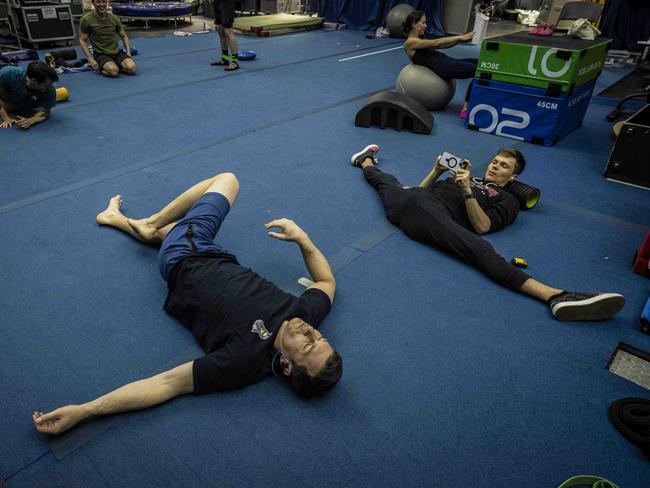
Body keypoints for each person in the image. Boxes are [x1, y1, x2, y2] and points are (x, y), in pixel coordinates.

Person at [33, 172, 342, 435]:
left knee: (227, 180)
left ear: (286, 365)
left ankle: (150, 223)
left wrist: (86, 411)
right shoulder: (306, 315)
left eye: (307, 345)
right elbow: (327, 282)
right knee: (175, 232)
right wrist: (303, 240)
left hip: (184, 257)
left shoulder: (243, 362)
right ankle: (117, 219)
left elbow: (166, 384)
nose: (311, 333)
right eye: (319, 337)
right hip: (209, 252)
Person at [349, 144, 626, 321]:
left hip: (431, 217)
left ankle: (555, 296)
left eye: (503, 165)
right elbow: (422, 192)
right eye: (495, 161)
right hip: (408, 204)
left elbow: (482, 228)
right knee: (385, 180)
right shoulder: (467, 176)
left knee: (479, 250)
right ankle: (365, 160)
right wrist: (435, 171)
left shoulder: (507, 200)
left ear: (513, 177)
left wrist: (468, 189)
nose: (495, 166)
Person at [403, 10, 477, 119]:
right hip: (445, 67)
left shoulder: (419, 39)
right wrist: (459, 37)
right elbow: (436, 43)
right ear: (414, 24)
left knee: (481, 63)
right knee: (480, 71)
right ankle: (466, 107)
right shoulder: (410, 42)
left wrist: (459, 40)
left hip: (448, 61)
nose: (426, 26)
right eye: (423, 23)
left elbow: (442, 46)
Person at [79, 0, 137, 77]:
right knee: (113, 72)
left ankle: (116, 65)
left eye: (103, 2)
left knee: (132, 68)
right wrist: (90, 60)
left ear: (106, 2)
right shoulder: (86, 20)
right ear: (93, 3)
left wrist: (128, 53)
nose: (101, 4)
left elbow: (123, 36)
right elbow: (82, 40)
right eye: (98, 2)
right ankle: (103, 68)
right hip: (101, 54)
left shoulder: (114, 18)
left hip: (117, 53)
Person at [0, 61, 58, 129]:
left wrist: (32, 120)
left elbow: (45, 112)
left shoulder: (50, 89)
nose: (50, 87)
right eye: (47, 85)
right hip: (4, 100)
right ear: (34, 81)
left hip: (26, 103)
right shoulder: (9, 73)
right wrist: (6, 118)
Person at [210, 0, 239, 71]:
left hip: (227, 3)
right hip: (218, 2)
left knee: (228, 31)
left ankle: (235, 62)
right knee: (220, 30)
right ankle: (225, 59)